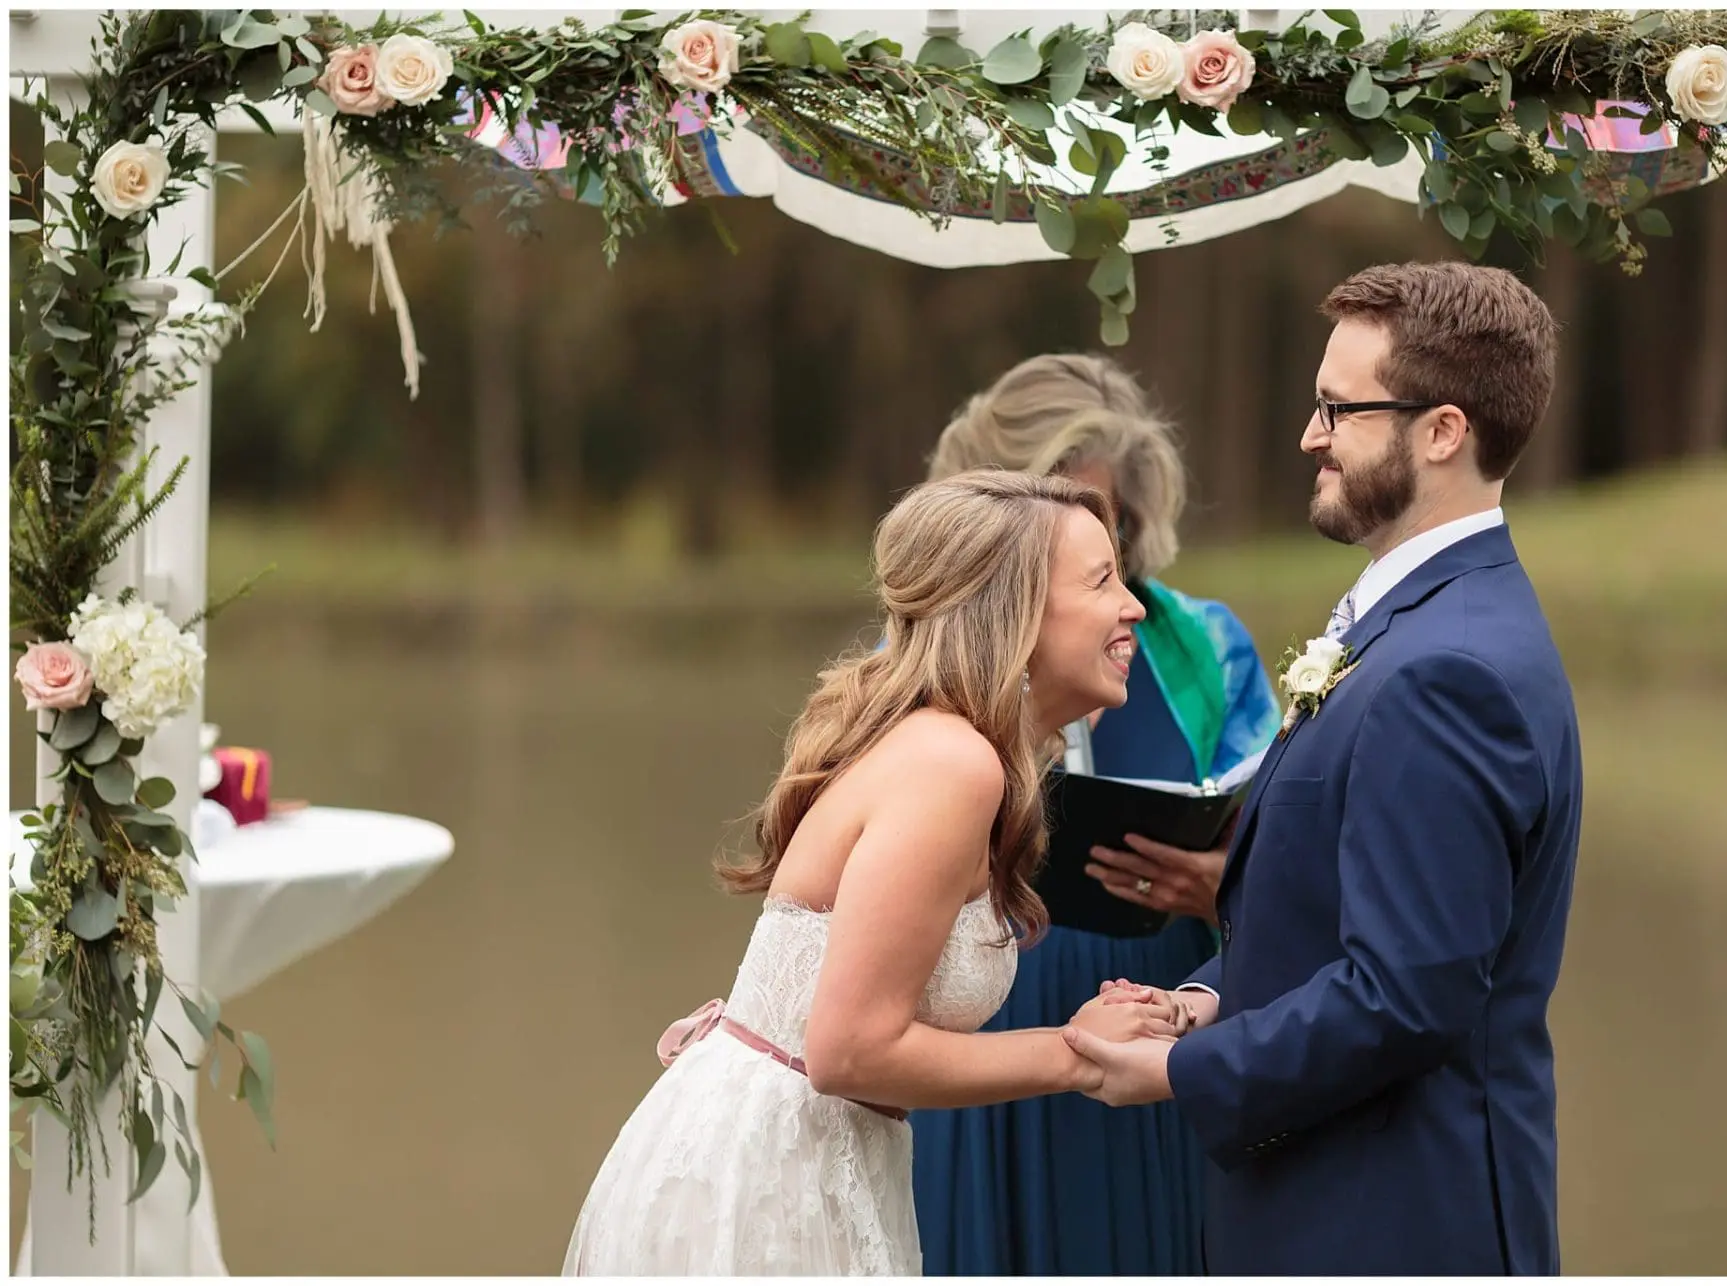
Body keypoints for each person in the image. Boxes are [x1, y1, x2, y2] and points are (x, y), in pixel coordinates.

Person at [1066, 262, 1584, 1275]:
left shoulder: (1447, 668)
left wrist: (1180, 1067)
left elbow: (1406, 995)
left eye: (1338, 410)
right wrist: (1207, 996)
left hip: (1390, 1219)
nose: (1309, 435)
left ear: (1441, 431)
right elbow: (1344, 920)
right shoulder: (1422, 620)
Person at [562, 470, 1186, 1276]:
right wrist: (1077, 1053)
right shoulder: (952, 763)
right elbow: (849, 1050)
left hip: (827, 1156)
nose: (1134, 607)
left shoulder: (952, 751)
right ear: (1018, 612)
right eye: (1104, 582)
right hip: (770, 1180)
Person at [911, 355, 1282, 1276]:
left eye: (1100, 520)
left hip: (1154, 999)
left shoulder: (1203, 644)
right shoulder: (924, 643)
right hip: (984, 1016)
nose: (1078, 545)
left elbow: (1283, 849)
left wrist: (1222, 891)